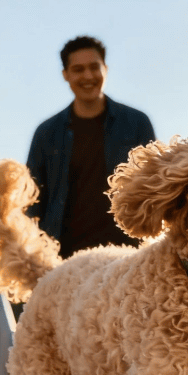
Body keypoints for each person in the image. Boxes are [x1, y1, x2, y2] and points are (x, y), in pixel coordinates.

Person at [25, 36, 156, 258]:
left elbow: (154, 187)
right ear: (65, 75)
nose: (88, 76)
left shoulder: (137, 123)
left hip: (127, 255)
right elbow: (31, 201)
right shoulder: (46, 133)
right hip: (63, 259)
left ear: (105, 69)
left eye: (94, 67)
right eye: (78, 69)